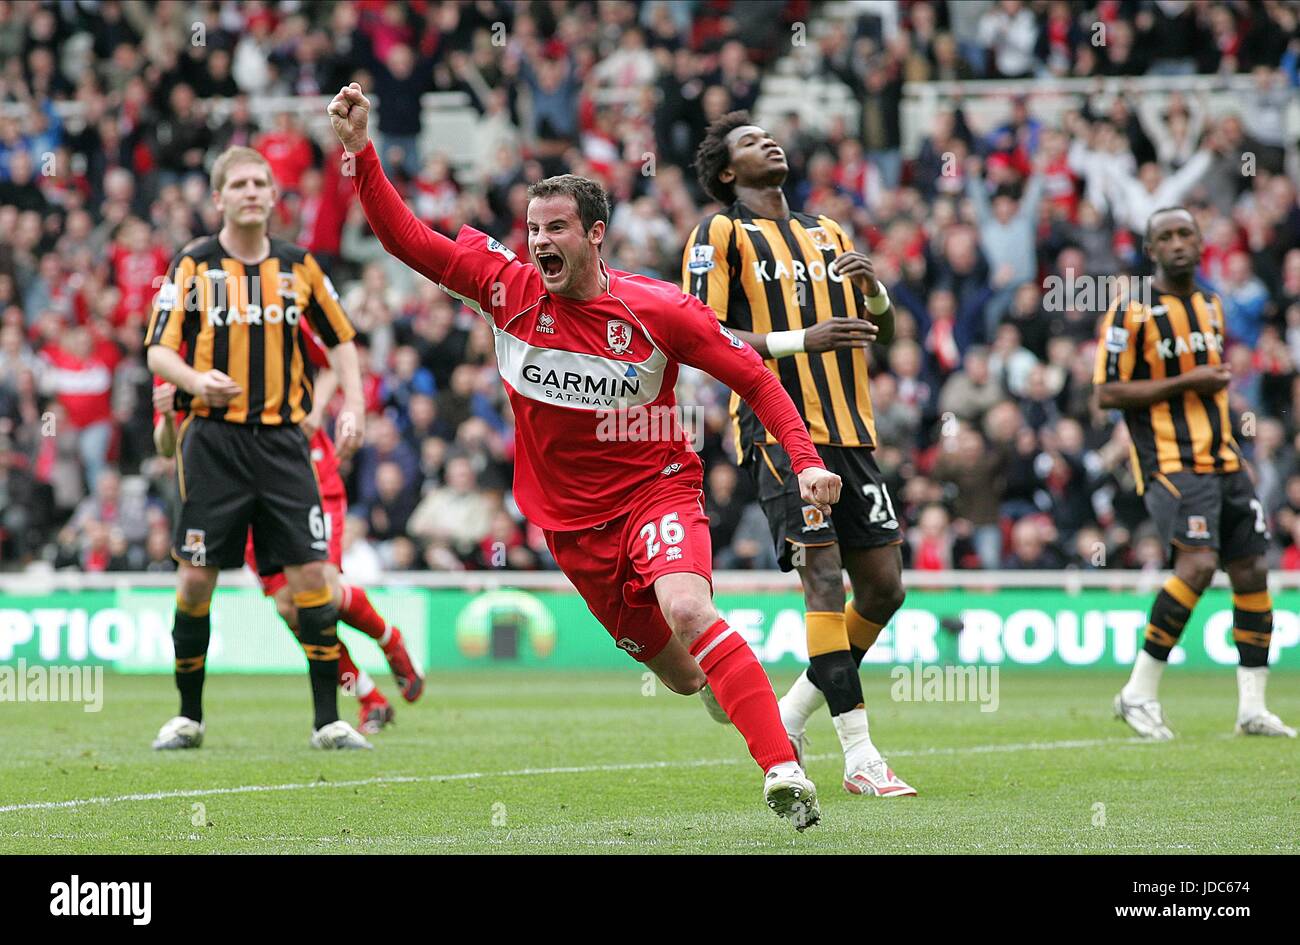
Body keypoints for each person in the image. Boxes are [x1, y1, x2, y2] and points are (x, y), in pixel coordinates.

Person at [330, 82, 843, 829]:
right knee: (677, 671)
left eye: (558, 228)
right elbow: (408, 239)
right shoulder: (503, 289)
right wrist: (360, 154)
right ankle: (717, 682)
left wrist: (805, 463)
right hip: (572, 528)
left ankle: (784, 770)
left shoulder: (658, 309)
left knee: (690, 605)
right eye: (534, 227)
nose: (540, 240)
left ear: (595, 235)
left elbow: (754, 376)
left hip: (657, 490)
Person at [684, 112, 914, 798]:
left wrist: (875, 290)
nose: (769, 141)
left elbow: (884, 330)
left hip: (852, 431)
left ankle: (789, 713)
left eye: (769, 135)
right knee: (823, 578)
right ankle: (861, 756)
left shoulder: (828, 230)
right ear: (727, 172)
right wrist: (796, 341)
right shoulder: (719, 232)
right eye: (750, 141)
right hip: (782, 432)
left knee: (884, 587)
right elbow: (699, 333)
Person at [143, 145, 371, 751]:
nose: (250, 191)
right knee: (195, 583)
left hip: (282, 444)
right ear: (218, 198)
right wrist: (194, 382)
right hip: (212, 445)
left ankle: (329, 722)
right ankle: (188, 716)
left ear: (274, 197)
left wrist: (355, 405)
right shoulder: (191, 265)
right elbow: (157, 350)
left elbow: (343, 340)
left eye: (260, 183)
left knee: (312, 581)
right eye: (238, 183)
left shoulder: (299, 268)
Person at [151, 322, 425, 736]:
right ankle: (368, 695)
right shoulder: (174, 350)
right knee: (290, 607)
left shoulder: (265, 310)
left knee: (323, 591)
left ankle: (390, 639)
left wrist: (315, 416)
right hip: (233, 486)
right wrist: (170, 416)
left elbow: (335, 355)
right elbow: (165, 444)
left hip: (302, 471)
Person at [1097, 206, 1294, 739]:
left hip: (1225, 460)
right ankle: (1137, 693)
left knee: (1252, 571)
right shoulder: (1130, 310)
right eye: (1166, 236)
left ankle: (1252, 707)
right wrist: (1188, 381)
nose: (1178, 243)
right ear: (1150, 250)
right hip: (1169, 463)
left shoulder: (1210, 305)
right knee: (1198, 566)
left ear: (1202, 242)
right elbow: (1107, 393)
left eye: (1186, 233)